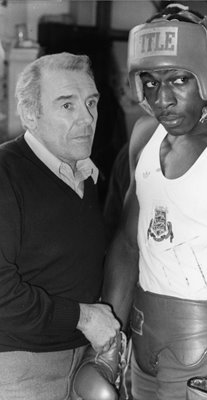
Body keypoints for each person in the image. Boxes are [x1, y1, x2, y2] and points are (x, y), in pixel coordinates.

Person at [102, 3, 207, 400]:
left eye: (178, 80)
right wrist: (106, 350)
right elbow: (127, 246)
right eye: (151, 82)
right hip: (142, 347)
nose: (163, 100)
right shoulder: (144, 135)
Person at [0, 52, 120, 400]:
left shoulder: (86, 175)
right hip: (20, 369)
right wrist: (83, 318)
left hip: (82, 361)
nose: (86, 118)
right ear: (30, 114)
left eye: (91, 102)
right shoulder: (6, 174)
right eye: (67, 105)